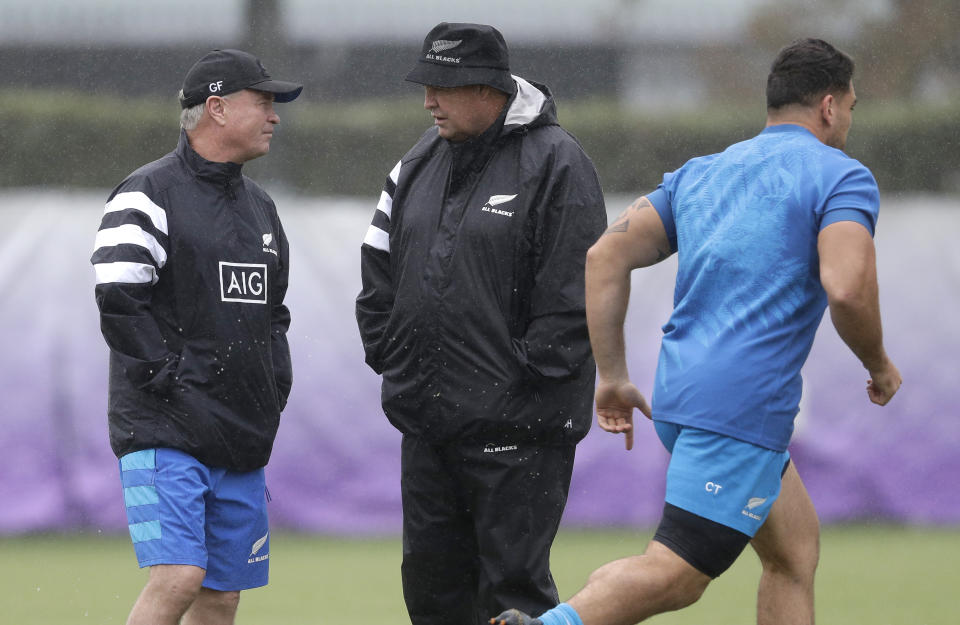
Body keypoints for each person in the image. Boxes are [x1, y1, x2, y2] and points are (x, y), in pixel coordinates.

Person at [492, 37, 902, 625]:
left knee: (794, 551)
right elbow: (846, 287)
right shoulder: (843, 177)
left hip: (682, 395)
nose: (849, 124)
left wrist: (612, 377)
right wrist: (879, 366)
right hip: (741, 408)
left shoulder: (703, 173)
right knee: (678, 574)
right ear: (831, 107)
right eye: (852, 110)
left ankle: (575, 610)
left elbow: (605, 256)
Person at [355, 22, 607, 625]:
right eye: (425, 85)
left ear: (488, 89)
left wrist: (521, 383)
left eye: (442, 86)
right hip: (428, 426)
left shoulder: (558, 162)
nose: (428, 101)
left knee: (513, 600)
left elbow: (581, 294)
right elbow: (377, 271)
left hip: (519, 430)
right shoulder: (417, 160)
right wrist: (396, 358)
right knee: (432, 595)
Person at [90, 49, 301, 625]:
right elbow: (117, 294)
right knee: (180, 577)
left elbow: (273, 314)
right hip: (166, 429)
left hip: (240, 431)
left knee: (221, 596)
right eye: (263, 102)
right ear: (216, 108)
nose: (274, 115)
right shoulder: (147, 191)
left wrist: (273, 383)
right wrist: (169, 378)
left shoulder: (262, 208)